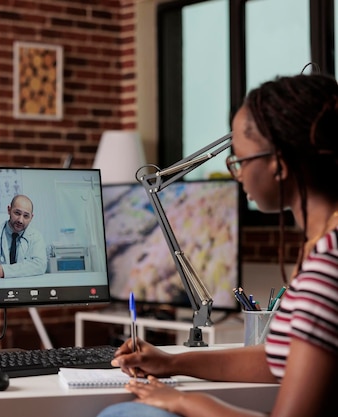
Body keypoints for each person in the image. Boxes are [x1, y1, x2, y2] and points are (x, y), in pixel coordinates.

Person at [97, 73, 338, 417]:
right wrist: (172, 363)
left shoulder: (328, 263)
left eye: (239, 161)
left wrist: (184, 401)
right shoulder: (323, 247)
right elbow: (278, 359)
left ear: (278, 163)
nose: (236, 175)